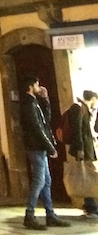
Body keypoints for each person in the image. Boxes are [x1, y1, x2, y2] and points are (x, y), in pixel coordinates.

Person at [20, 74, 70, 230]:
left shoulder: (34, 103)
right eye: (37, 85)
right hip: (36, 147)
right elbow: (37, 128)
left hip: (39, 147)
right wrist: (50, 147)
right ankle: (29, 215)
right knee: (39, 181)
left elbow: (45, 122)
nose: (39, 87)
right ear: (31, 86)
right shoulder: (28, 104)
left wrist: (45, 100)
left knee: (46, 181)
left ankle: (50, 214)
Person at [67, 89, 98, 218]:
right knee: (88, 177)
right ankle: (91, 207)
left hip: (86, 147)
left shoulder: (84, 109)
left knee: (88, 176)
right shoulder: (80, 109)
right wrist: (80, 149)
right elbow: (78, 130)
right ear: (93, 99)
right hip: (84, 149)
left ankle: (90, 206)